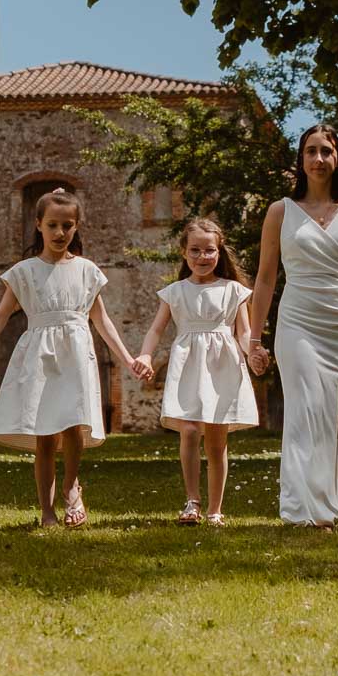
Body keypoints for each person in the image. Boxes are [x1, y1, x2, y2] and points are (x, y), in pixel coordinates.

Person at [0, 188, 151, 527]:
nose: (60, 233)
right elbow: (0, 317)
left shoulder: (88, 271)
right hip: (40, 357)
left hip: (75, 354)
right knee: (45, 434)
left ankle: (71, 487)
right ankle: (46, 511)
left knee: (75, 425)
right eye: (53, 225)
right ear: (39, 225)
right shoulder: (24, 272)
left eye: (68, 225)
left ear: (76, 227)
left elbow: (101, 319)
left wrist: (126, 357)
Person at [248, 124, 338, 527]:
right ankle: (302, 509)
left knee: (336, 415)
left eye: (326, 151)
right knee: (307, 410)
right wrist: (254, 339)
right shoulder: (280, 212)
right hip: (297, 322)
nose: (319, 159)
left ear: (337, 158)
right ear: (301, 159)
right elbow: (265, 278)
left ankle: (329, 505)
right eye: (311, 151)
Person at [135, 218, 259, 527]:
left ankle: (216, 510)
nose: (202, 257)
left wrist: (254, 350)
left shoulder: (233, 290)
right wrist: (146, 355)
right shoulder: (175, 292)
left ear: (219, 252)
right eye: (195, 250)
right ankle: (192, 501)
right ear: (183, 253)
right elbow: (156, 329)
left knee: (216, 442)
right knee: (189, 430)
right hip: (188, 364)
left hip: (222, 366)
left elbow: (244, 332)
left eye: (209, 250)